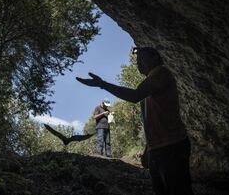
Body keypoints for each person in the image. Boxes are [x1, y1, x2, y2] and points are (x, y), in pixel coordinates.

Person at [76, 47, 194, 195]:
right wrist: (148, 150)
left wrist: (102, 84)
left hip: (172, 146)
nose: (139, 63)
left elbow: (134, 95)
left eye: (142, 59)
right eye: (137, 61)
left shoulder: (161, 73)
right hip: (157, 149)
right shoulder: (149, 85)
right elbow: (152, 122)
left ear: (156, 59)